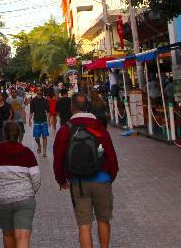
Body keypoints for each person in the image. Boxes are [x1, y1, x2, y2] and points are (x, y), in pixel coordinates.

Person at [53, 92, 118, 248]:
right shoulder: (99, 127)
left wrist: (61, 179)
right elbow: (111, 156)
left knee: (84, 224)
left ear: (71, 107)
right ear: (88, 107)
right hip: (101, 179)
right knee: (103, 220)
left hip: (78, 182)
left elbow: (58, 157)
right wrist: (110, 176)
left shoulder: (65, 129)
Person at [0, 121, 41, 248]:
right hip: (24, 199)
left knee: (8, 234)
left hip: (1, 200)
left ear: (4, 134)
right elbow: (36, 179)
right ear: (19, 135)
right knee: (23, 237)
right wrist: (29, 193)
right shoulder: (27, 153)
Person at [29, 91, 50, 157]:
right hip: (36, 121)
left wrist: (48, 120)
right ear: (36, 94)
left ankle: (44, 152)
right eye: (38, 94)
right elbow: (31, 111)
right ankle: (39, 145)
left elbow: (48, 111)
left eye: (41, 95)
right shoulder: (33, 101)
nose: (40, 96)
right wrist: (30, 120)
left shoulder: (45, 100)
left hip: (44, 121)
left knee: (44, 136)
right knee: (36, 137)